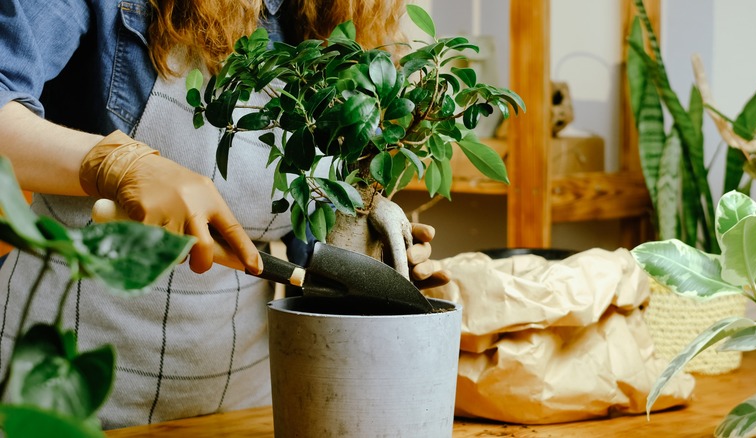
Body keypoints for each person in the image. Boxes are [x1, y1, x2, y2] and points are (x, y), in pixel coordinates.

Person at [0, 0, 447, 429]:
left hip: (242, 406)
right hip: (64, 393)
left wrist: (361, 242)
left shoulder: (343, 22)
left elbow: (302, 231)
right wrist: (115, 163)